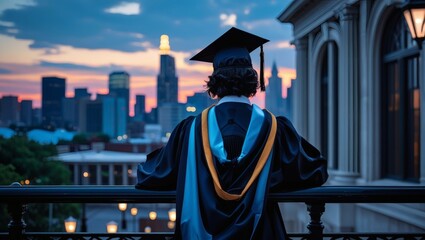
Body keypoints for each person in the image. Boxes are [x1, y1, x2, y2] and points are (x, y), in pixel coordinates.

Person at [136, 27, 328, 240]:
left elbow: (152, 177)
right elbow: (314, 172)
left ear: (214, 82)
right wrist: (271, 177)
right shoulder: (275, 129)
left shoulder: (189, 131)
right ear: (253, 80)